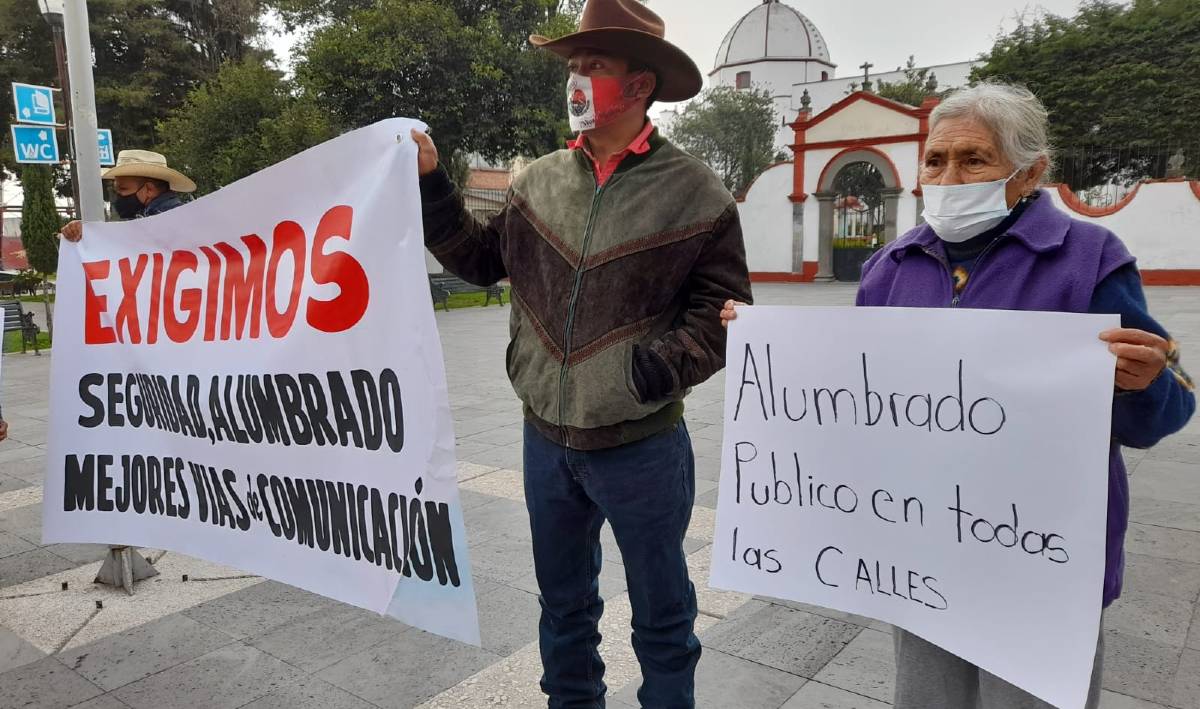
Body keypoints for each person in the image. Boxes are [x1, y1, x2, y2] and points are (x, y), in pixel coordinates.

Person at [723, 82, 1195, 709]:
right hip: (922, 542)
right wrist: (773, 349)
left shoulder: (1088, 257)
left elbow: (1168, 404)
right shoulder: (889, 267)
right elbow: (861, 397)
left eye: (974, 159)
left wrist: (1146, 383)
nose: (949, 176)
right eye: (936, 160)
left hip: (1039, 554)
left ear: (1030, 172)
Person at [415, 1, 752, 705]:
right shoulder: (537, 180)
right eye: (572, 66)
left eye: (592, 65)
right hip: (546, 440)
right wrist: (430, 181)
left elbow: (720, 315)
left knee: (663, 616)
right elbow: (477, 261)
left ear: (639, 85)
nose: (575, 79)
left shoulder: (696, 191)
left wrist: (647, 373)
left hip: (642, 447)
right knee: (564, 610)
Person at [60, 149, 195, 242]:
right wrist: (87, 232)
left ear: (149, 189)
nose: (118, 195)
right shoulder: (184, 218)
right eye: (117, 190)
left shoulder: (171, 222)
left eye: (123, 189)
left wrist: (91, 233)